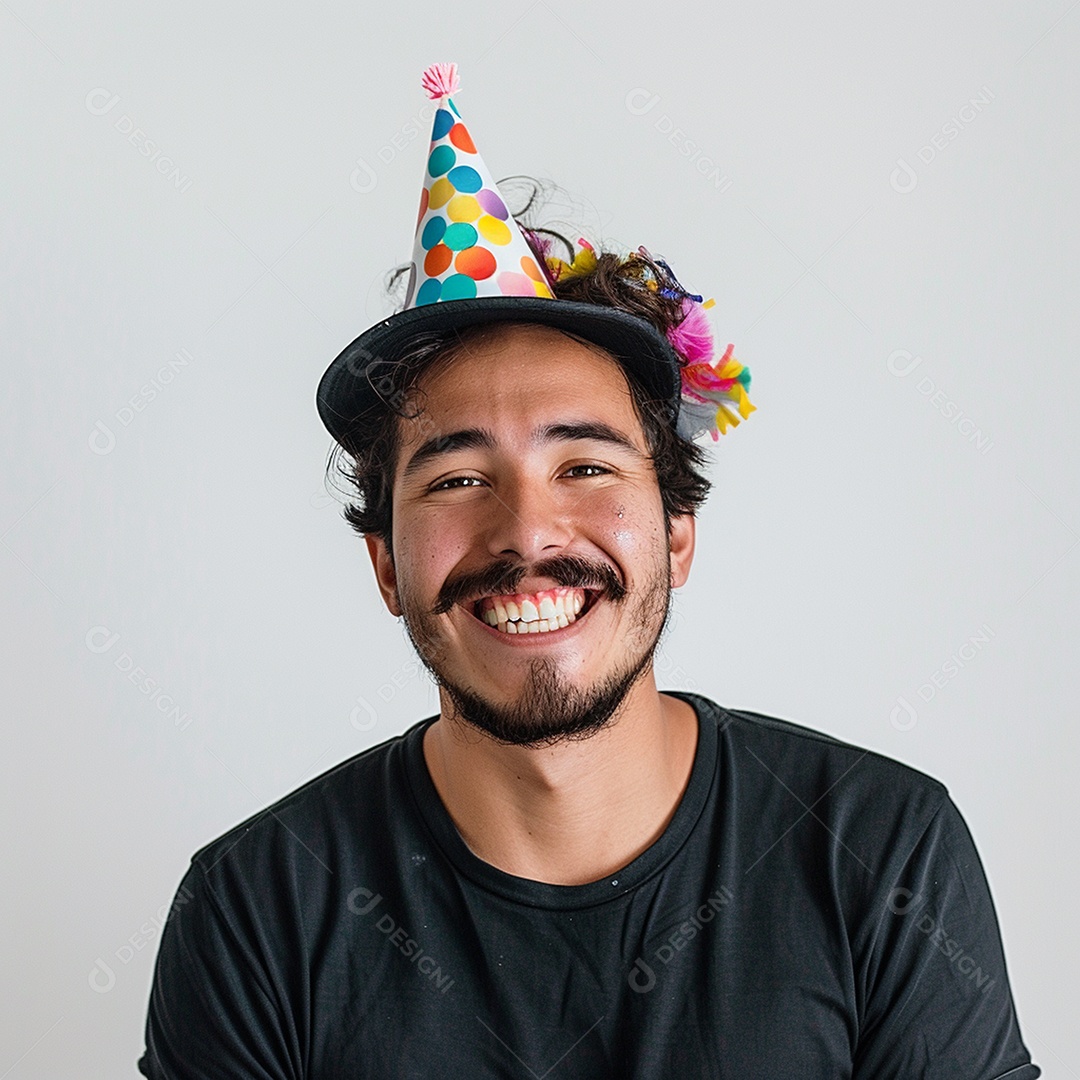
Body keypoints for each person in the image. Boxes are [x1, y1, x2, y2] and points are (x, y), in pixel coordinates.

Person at [138, 64, 1040, 1078]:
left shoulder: (880, 850)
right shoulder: (259, 910)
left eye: (584, 465)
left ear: (678, 532)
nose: (529, 531)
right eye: (460, 478)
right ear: (386, 565)